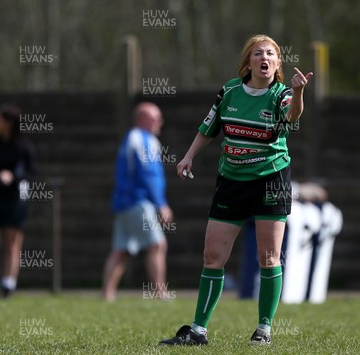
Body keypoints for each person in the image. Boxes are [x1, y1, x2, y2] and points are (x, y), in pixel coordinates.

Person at [159, 34, 313, 346]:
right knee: (212, 255)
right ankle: (198, 331)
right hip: (232, 179)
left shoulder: (281, 94)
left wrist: (298, 93)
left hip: (271, 179)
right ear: (248, 62)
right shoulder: (229, 91)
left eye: (271, 53)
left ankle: (264, 330)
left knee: (268, 256)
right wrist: (188, 156)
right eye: (258, 53)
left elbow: (293, 115)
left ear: (277, 64)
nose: (265, 57)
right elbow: (208, 129)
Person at [102, 102, 173, 301]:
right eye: (155, 118)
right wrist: (161, 203)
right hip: (137, 202)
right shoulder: (142, 139)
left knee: (121, 250)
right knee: (158, 245)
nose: (160, 122)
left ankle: (107, 294)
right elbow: (148, 173)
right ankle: (160, 293)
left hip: (124, 202)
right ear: (142, 119)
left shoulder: (132, 138)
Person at [0, 104, 36, 299]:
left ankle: (8, 284)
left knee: (12, 245)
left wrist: (14, 176)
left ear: (9, 123)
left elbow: (31, 172)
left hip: (15, 199)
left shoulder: (24, 147)